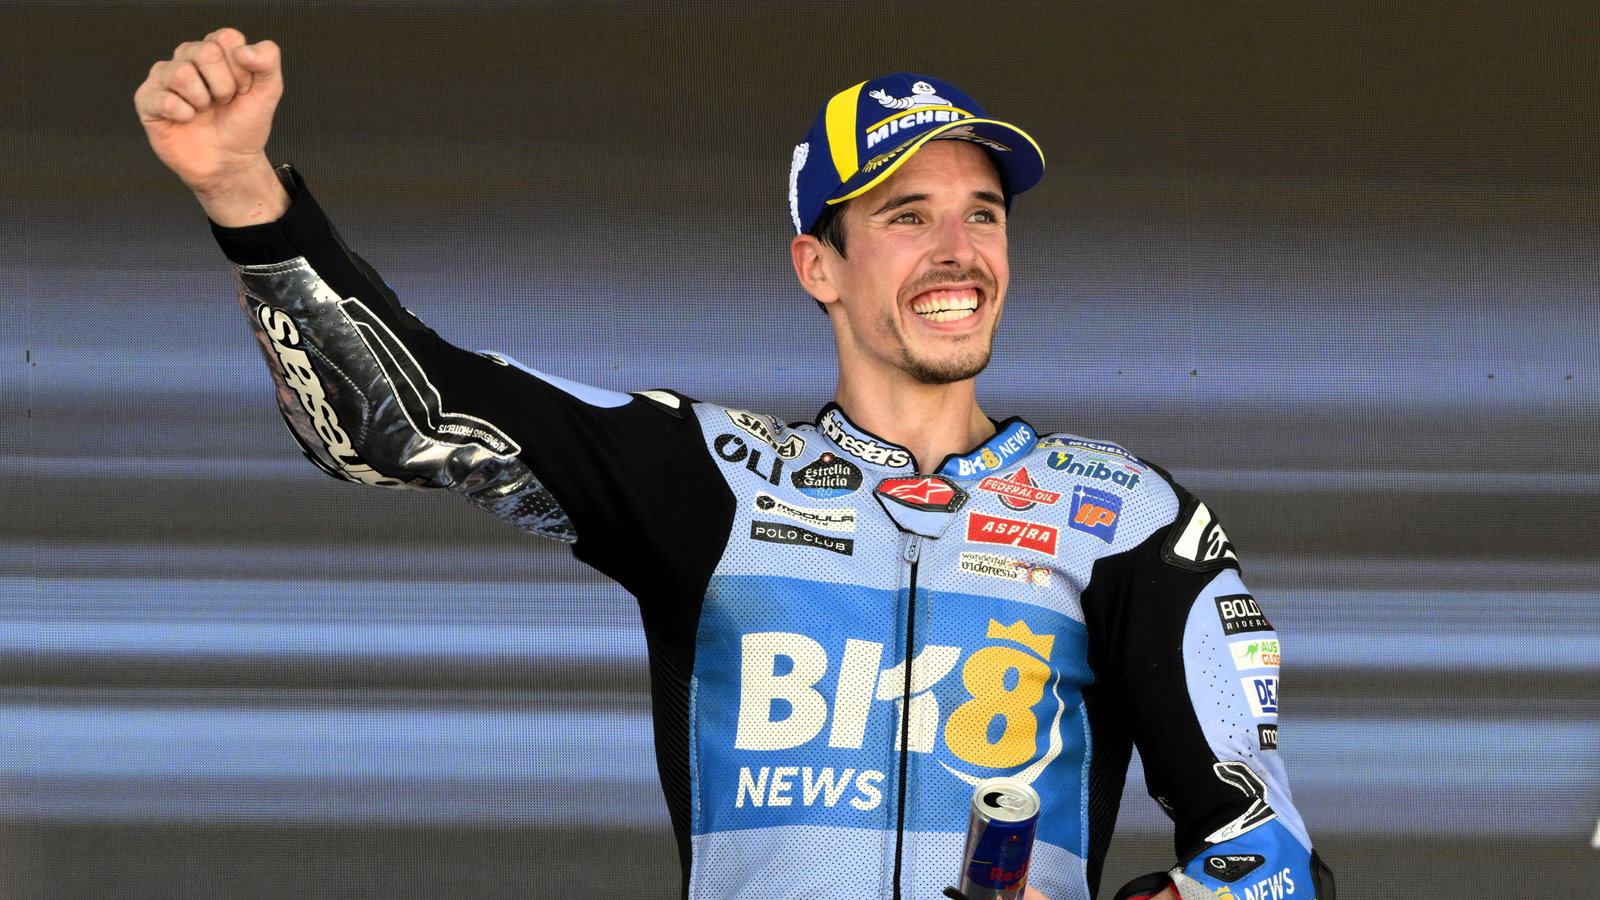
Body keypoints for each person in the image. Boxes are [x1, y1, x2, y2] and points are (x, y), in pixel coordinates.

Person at [134, 29, 1335, 900]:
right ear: (820, 266)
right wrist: (241, 189)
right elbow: (406, 415)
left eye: (983, 213)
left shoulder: (1126, 515)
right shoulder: (714, 476)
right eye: (906, 216)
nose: (958, 251)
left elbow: (1268, 853)